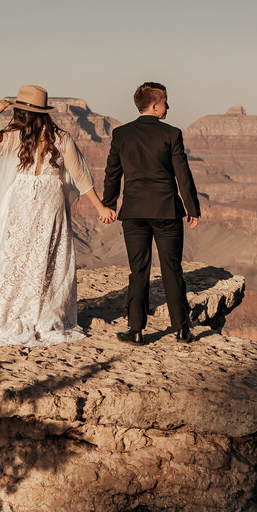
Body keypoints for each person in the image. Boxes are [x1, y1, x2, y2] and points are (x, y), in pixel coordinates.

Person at [0, 84, 117, 346]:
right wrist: (100, 208)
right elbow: (80, 176)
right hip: (39, 203)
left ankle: (23, 314)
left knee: (28, 259)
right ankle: (35, 315)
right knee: (36, 258)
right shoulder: (52, 137)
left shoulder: (24, 138)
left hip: (30, 203)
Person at [100, 81, 201, 344]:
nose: (168, 106)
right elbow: (183, 175)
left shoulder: (121, 134)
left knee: (138, 271)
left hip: (133, 211)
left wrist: (108, 203)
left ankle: (136, 331)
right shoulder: (172, 134)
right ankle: (182, 329)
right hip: (166, 211)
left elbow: (113, 173)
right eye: (165, 101)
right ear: (154, 105)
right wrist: (192, 208)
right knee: (172, 269)